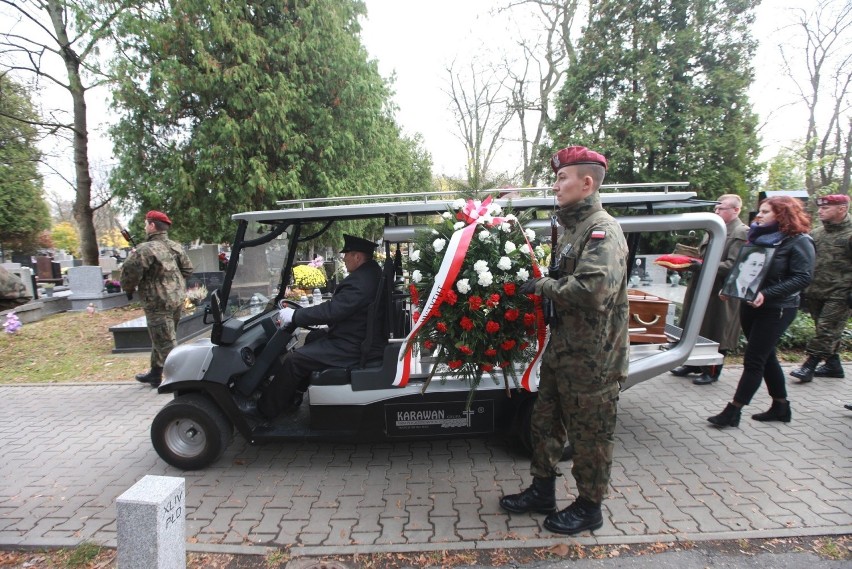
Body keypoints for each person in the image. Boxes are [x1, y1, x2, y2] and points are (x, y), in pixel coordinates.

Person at [500, 146, 629, 535]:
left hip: (594, 359)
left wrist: (543, 286)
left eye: (561, 178)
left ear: (586, 183)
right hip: (564, 350)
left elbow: (593, 290)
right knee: (544, 425)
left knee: (590, 436)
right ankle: (542, 491)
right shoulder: (574, 228)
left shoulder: (602, 229)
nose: (555, 185)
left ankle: (589, 507)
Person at [249, 234, 387, 419]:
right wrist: (299, 315)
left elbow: (333, 311)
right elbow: (336, 309)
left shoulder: (361, 281)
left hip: (354, 345)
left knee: (294, 360)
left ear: (357, 257)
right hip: (357, 335)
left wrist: (296, 316)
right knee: (312, 338)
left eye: (346, 254)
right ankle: (294, 395)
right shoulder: (369, 273)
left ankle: (264, 411)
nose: (343, 258)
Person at [708, 196, 814, 428]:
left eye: (766, 212)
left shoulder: (798, 241)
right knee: (767, 357)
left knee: (754, 359)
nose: (759, 215)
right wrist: (732, 288)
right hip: (750, 305)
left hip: (778, 308)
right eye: (760, 211)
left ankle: (733, 411)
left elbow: (802, 277)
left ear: (782, 214)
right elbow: (746, 267)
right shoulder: (759, 236)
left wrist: (768, 294)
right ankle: (781, 406)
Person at [670, 194, 748, 384]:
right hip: (702, 285)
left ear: (736, 210)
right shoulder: (715, 228)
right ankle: (693, 363)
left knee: (716, 329)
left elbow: (733, 265)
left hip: (720, 289)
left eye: (721, 208)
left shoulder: (740, 232)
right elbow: (704, 255)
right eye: (716, 208)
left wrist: (702, 265)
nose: (716, 211)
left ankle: (712, 370)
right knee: (696, 326)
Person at [120, 211, 193, 387]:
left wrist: (129, 288)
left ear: (152, 226)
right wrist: (172, 285)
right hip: (175, 300)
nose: (145, 227)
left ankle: (182, 381)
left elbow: (129, 273)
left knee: (166, 343)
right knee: (162, 337)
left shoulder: (146, 249)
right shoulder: (175, 246)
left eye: (146, 224)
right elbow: (188, 269)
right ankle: (155, 373)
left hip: (157, 302)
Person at [790, 194, 851, 383]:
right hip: (816, 290)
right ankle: (833, 365)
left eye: (826, 208)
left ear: (842, 209)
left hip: (841, 292)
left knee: (826, 329)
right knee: (824, 329)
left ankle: (810, 364)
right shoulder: (817, 234)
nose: (820, 211)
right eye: (821, 208)